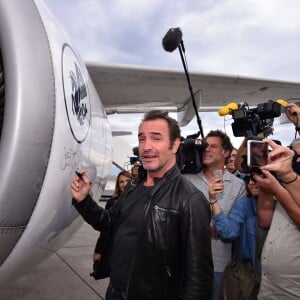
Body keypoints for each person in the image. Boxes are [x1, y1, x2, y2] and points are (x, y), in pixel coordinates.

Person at [71, 110, 213, 299]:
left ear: (175, 144)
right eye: (142, 139)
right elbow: (108, 223)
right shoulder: (133, 186)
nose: (146, 147)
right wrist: (83, 200)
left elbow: (198, 280)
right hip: (115, 292)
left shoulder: (190, 200)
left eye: (156, 138)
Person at [184, 129, 246, 300]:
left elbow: (232, 232)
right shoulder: (187, 180)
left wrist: (209, 228)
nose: (207, 149)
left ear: (225, 152)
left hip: (218, 265)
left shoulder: (238, 186)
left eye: (213, 146)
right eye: (205, 146)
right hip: (187, 263)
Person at [253, 139, 300, 299]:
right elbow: (265, 220)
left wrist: (279, 189)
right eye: (294, 155)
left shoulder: (287, 185)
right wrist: (266, 174)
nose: (297, 160)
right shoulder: (289, 184)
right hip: (270, 286)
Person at [209, 174, 271, 277]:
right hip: (250, 277)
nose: (251, 183)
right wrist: (213, 201)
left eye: (257, 179)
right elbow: (228, 232)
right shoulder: (245, 204)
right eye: (250, 179)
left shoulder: (284, 204)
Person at [93, 170, 133, 270]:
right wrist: (99, 251)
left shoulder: (141, 200)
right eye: (121, 182)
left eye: (127, 180)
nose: (124, 184)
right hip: (117, 249)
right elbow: (105, 229)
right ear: (118, 185)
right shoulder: (112, 202)